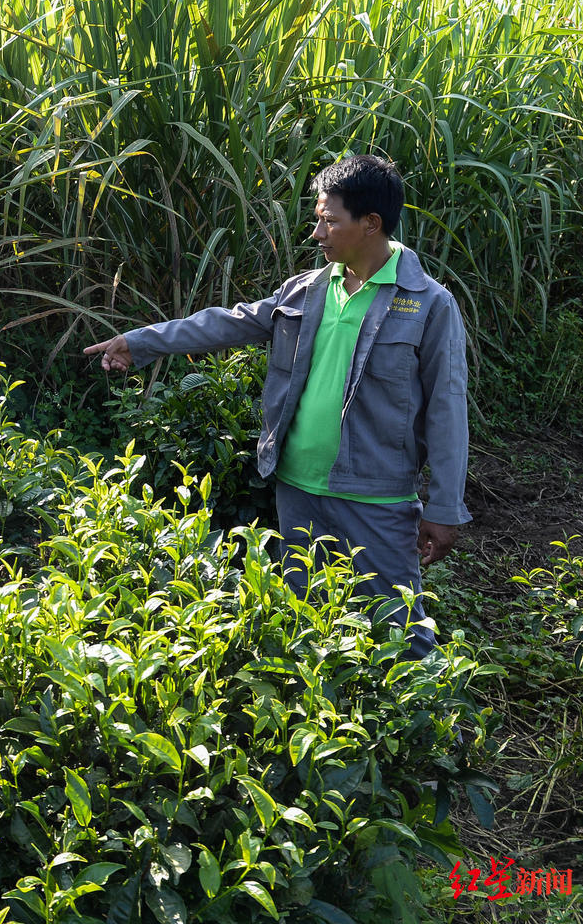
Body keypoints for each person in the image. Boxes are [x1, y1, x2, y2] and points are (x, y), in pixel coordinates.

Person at [85, 154, 470, 658]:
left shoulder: (428, 304)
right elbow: (226, 322)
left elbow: (447, 409)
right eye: (318, 219)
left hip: (374, 497)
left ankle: (434, 730)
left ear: (371, 224)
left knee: (397, 628)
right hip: (296, 489)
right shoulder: (308, 290)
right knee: (307, 620)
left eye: (330, 221)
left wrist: (444, 507)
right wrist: (141, 342)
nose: (318, 233)